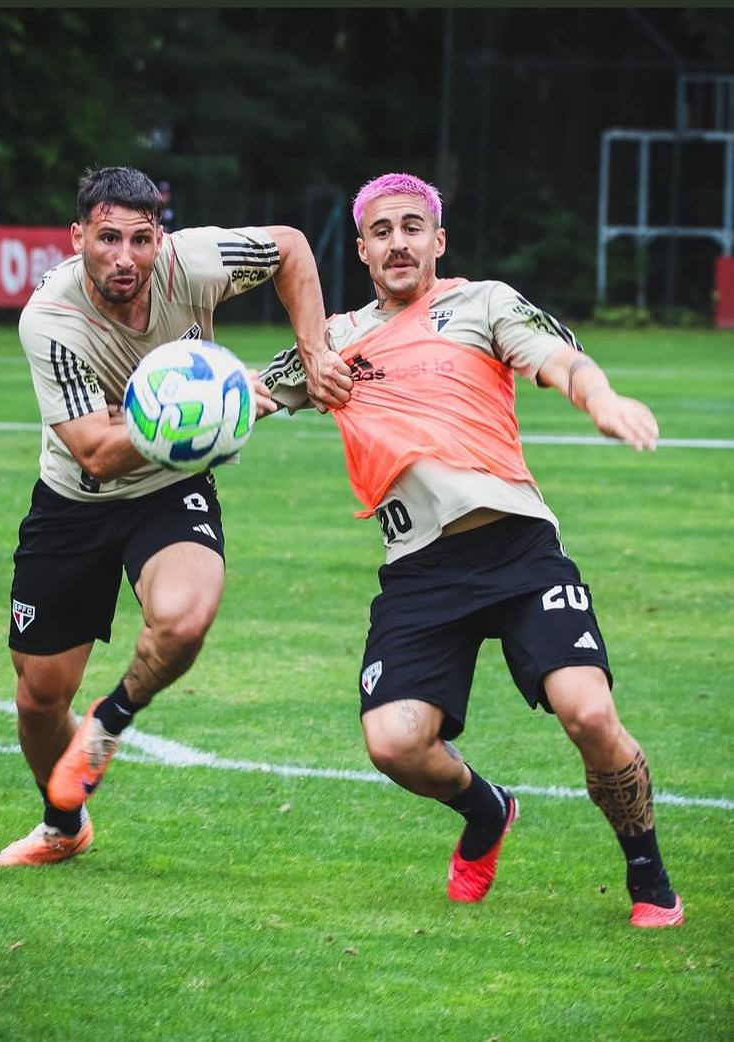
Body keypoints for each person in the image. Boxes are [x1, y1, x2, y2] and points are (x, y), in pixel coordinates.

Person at [261, 172, 683, 927]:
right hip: (419, 571)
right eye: (382, 230)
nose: (398, 242)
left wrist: (603, 398)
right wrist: (185, 403)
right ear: (360, 250)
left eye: (412, 227)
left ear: (438, 241)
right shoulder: (333, 344)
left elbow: (558, 359)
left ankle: (647, 872)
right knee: (393, 742)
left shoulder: (480, 302)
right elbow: (249, 396)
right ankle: (487, 810)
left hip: (518, 549)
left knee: (588, 713)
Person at [0, 165, 351, 867]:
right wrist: (214, 399)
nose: (125, 257)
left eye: (141, 239)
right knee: (38, 698)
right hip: (75, 503)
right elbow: (95, 452)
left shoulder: (196, 261)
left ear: (163, 238)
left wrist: (314, 352)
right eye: (107, 239)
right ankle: (64, 826)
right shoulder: (51, 320)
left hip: (170, 489)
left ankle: (109, 721)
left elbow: (292, 248)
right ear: (77, 238)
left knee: (184, 618)